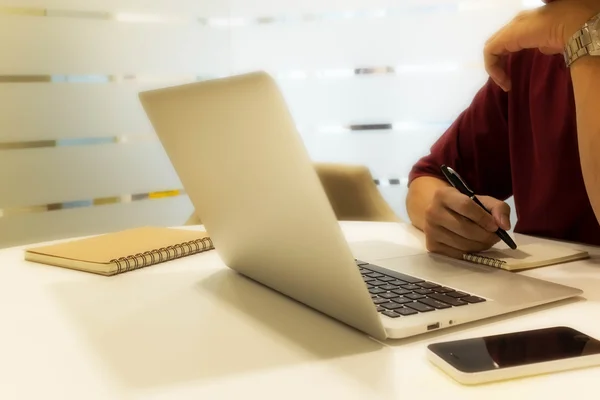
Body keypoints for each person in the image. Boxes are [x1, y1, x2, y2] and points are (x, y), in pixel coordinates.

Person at [406, 0, 600, 259]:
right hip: (544, 284)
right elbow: (429, 177)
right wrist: (447, 216)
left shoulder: (563, 33)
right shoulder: (535, 51)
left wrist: (584, 36)